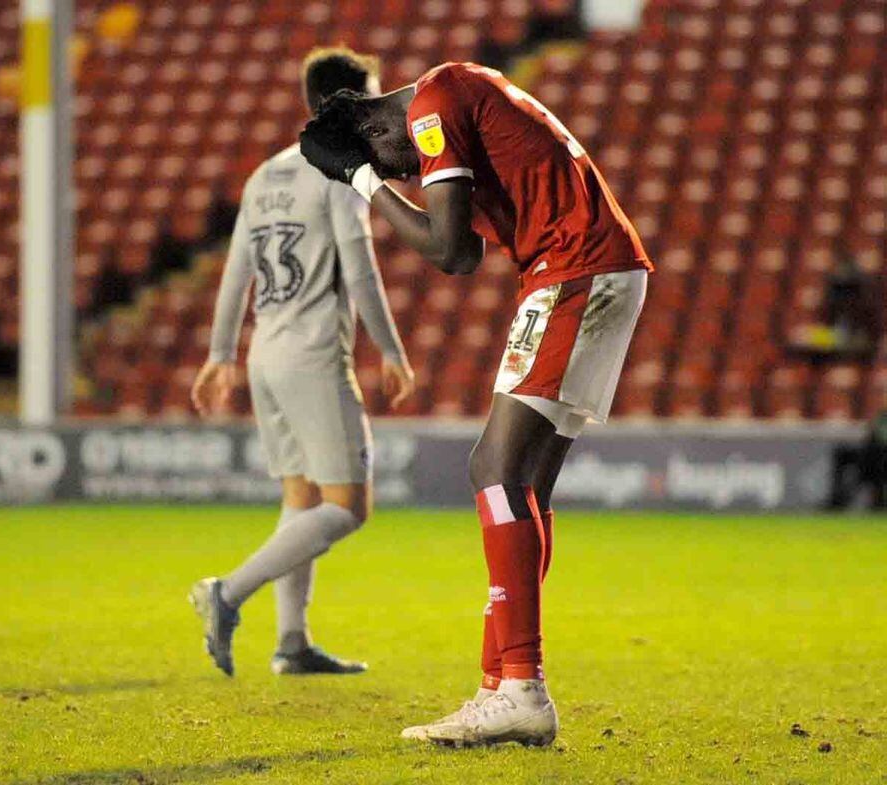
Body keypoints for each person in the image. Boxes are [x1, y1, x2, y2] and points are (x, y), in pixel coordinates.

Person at [300, 61, 653, 745]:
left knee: (493, 470)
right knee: (520, 483)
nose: (408, 176)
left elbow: (451, 251)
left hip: (574, 268)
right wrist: (370, 172)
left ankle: (520, 685)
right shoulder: (460, 92)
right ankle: (502, 684)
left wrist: (363, 181)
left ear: (378, 127)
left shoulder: (433, 105)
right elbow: (468, 242)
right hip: (582, 267)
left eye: (393, 164)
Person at [189, 46, 415, 677]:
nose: (380, 109)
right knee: (348, 506)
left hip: (266, 354)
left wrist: (219, 354)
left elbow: (236, 272)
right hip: (314, 355)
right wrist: (392, 352)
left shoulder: (265, 175)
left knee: (303, 497)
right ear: (345, 106)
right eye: (372, 96)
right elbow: (362, 271)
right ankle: (226, 592)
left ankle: (291, 642)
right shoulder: (339, 174)